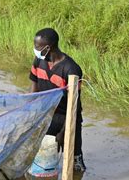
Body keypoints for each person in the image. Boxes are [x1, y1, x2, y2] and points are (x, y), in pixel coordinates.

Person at [29, 28, 86, 172]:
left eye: (37, 46)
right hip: (46, 114)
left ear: (48, 47)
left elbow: (74, 106)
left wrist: (63, 132)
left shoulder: (71, 69)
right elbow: (33, 88)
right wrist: (30, 115)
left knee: (75, 163)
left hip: (67, 117)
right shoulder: (39, 61)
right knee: (42, 154)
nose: (35, 49)